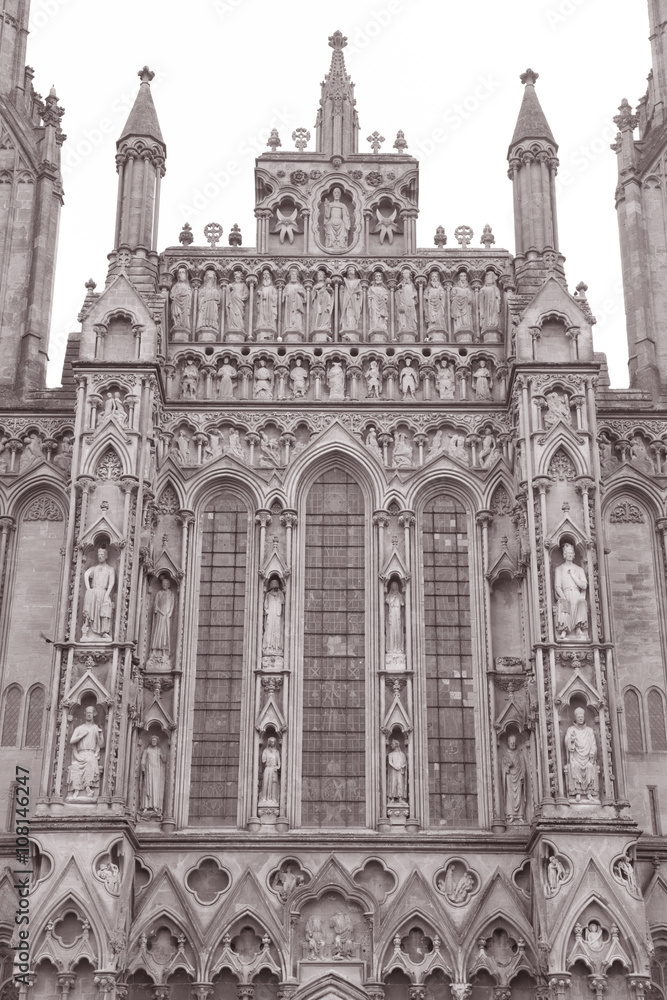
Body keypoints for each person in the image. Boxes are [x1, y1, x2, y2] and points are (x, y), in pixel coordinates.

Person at [67, 705, 104, 799]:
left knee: (90, 761)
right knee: (74, 766)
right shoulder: (79, 728)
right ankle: (76, 790)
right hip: (80, 754)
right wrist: (82, 736)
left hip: (91, 754)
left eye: (90, 713)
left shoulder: (96, 728)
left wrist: (100, 735)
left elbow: (102, 745)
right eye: (87, 713)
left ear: (94, 714)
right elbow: (72, 741)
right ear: (84, 714)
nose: (88, 714)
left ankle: (88, 788)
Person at [554, 543, 588, 639]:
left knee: (581, 603)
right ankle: (564, 630)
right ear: (564, 554)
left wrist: (573, 576)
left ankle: (578, 628)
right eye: (567, 553)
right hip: (565, 593)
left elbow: (584, 585)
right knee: (564, 603)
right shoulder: (559, 569)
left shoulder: (579, 569)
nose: (570, 555)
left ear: (574, 555)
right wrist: (563, 596)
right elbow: (557, 586)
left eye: (571, 553)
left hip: (577, 593)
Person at [564, 707, 599, 800]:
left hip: (587, 758)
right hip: (575, 757)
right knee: (575, 767)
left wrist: (592, 753)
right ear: (575, 718)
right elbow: (567, 742)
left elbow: (593, 745)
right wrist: (571, 740)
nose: (580, 718)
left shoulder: (589, 731)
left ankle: (589, 793)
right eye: (579, 716)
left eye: (582, 716)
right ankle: (577, 792)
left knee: (590, 767)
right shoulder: (571, 730)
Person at [82, 547, 115, 640]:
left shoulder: (110, 569)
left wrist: (107, 595)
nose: (100, 556)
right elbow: (86, 574)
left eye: (102, 555)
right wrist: (88, 588)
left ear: (106, 556)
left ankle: (104, 632)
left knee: (105, 610)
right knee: (91, 611)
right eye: (99, 555)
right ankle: (87, 630)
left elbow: (111, 583)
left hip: (103, 592)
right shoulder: (94, 568)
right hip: (94, 592)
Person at [501, 733, 526, 822]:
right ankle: (510, 814)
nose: (512, 744)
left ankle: (520, 815)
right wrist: (506, 769)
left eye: (514, 743)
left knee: (519, 794)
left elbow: (523, 767)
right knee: (509, 794)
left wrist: (522, 775)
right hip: (509, 777)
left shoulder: (520, 755)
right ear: (508, 743)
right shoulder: (505, 756)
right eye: (511, 743)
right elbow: (503, 767)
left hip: (518, 777)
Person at [140, 734, 166, 817]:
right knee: (147, 787)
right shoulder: (147, 750)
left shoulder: (159, 750)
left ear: (157, 742)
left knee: (155, 788)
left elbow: (164, 759)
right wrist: (143, 766)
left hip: (156, 772)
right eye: (153, 740)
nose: (154, 742)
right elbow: (143, 760)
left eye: (155, 741)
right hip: (149, 771)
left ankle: (155, 806)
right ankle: (145, 806)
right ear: (151, 741)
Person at [150, 578, 175, 661]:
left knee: (165, 634)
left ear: (169, 584)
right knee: (158, 633)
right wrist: (159, 611)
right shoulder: (159, 593)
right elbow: (156, 605)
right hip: (160, 616)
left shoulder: (171, 594)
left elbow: (172, 605)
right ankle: (154, 652)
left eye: (166, 583)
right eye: (163, 583)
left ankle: (165, 652)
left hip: (166, 616)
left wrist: (169, 613)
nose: (164, 585)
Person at [262, 578, 284, 654]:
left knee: (277, 629)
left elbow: (283, 603)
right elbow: (266, 605)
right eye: (274, 586)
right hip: (271, 615)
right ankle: (268, 646)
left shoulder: (280, 594)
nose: (276, 587)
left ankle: (277, 647)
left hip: (277, 615)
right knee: (269, 629)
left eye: (277, 586)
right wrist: (267, 612)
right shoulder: (268, 595)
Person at [282, 267, 305, 334]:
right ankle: (288, 328)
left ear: (297, 277)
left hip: (297, 306)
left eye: (295, 275)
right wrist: (285, 295)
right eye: (292, 275)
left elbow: (305, 297)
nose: (294, 276)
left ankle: (298, 328)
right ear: (290, 277)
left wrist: (301, 293)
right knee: (289, 318)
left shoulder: (299, 286)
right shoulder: (287, 286)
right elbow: (283, 295)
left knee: (297, 316)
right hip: (289, 305)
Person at [259, 737, 280, 806]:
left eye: (273, 742)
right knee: (266, 782)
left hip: (274, 769)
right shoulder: (265, 751)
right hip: (267, 768)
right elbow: (263, 760)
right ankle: (264, 798)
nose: (272, 743)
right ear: (269, 742)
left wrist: (277, 767)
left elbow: (279, 763)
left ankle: (273, 799)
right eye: (271, 742)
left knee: (273, 784)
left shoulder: (276, 752)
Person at [385, 581, 405, 655]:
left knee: (398, 631)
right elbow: (386, 601)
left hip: (398, 615)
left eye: (395, 585)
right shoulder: (388, 596)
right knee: (391, 631)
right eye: (393, 585)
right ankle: (391, 648)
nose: (394, 587)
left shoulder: (400, 596)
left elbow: (402, 603)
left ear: (397, 586)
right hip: (391, 615)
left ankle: (398, 648)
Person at [170, 267, 192, 332]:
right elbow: (172, 294)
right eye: (179, 273)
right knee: (176, 313)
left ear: (186, 275)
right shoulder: (176, 285)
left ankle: (183, 324)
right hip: (176, 302)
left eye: (182, 272)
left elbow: (189, 295)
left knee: (183, 315)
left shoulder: (187, 286)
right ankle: (177, 323)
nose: (180, 274)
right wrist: (173, 296)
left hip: (184, 303)